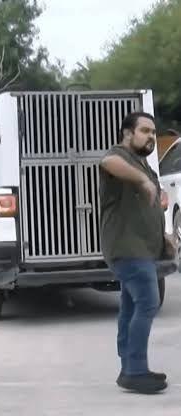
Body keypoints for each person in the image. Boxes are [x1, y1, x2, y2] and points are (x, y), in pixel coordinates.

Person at [99, 111, 175, 394]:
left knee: (132, 306)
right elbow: (107, 162)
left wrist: (165, 237)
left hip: (142, 248)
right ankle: (135, 370)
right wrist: (142, 181)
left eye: (154, 132)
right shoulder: (120, 157)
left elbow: (149, 210)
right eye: (144, 131)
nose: (151, 136)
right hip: (126, 248)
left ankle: (129, 367)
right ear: (127, 134)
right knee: (147, 302)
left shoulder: (144, 165)